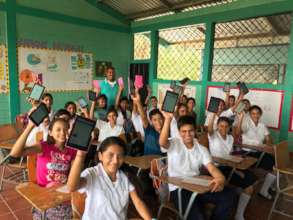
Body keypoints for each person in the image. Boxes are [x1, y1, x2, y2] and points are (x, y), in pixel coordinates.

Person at [159, 114, 236, 220]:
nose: (187, 134)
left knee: (229, 195)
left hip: (197, 186)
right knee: (198, 217)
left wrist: (220, 178)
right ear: (179, 132)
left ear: (195, 130)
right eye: (183, 131)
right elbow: (162, 143)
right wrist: (167, 119)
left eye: (190, 131)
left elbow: (212, 168)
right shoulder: (174, 143)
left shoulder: (201, 149)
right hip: (179, 189)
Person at [67, 136, 152, 220]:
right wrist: (80, 156)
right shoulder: (92, 174)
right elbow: (71, 187)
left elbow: (138, 202)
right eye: (110, 155)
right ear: (100, 156)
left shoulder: (124, 177)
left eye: (120, 156)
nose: (115, 161)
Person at [10, 114, 76, 219]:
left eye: (66, 129)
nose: (63, 133)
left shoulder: (72, 150)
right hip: (44, 194)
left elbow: (73, 176)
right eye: (58, 129)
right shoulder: (44, 147)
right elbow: (15, 153)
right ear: (50, 132)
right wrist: (30, 126)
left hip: (62, 194)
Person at [208, 115, 256, 220]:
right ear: (217, 126)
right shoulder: (213, 136)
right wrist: (212, 116)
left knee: (250, 181)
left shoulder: (230, 138)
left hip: (229, 166)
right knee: (246, 183)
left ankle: (239, 214)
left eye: (226, 126)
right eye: (221, 126)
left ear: (229, 127)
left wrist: (240, 119)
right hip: (217, 169)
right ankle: (238, 191)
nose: (223, 129)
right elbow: (210, 130)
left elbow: (237, 134)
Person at [235, 105, 275, 200]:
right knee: (273, 164)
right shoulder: (246, 123)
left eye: (257, 113)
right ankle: (267, 188)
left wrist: (268, 145)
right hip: (248, 153)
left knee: (276, 165)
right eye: (253, 113)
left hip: (260, 153)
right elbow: (238, 132)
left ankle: (264, 190)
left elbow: (269, 139)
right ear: (250, 114)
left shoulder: (262, 125)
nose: (255, 115)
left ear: (260, 114)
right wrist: (240, 119)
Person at [131, 90, 164, 155]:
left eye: (160, 119)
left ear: (163, 119)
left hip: (161, 162)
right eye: (154, 120)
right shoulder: (149, 130)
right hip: (147, 161)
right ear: (151, 121)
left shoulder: (166, 132)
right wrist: (138, 102)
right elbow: (143, 117)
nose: (158, 122)